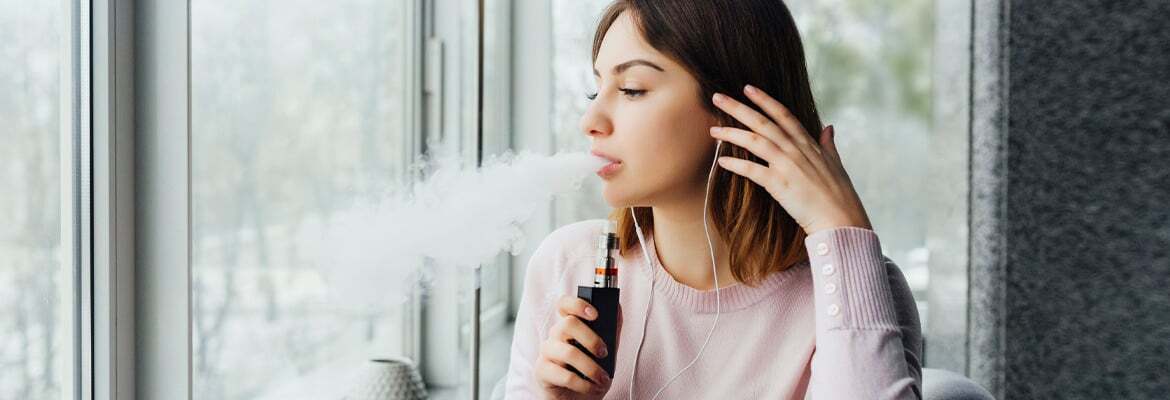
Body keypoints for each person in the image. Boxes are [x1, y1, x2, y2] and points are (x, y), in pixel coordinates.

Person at [504, 0, 922, 398]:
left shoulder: (854, 288)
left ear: (735, 109)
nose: (590, 122)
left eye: (631, 89)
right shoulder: (568, 265)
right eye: (596, 91)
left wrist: (840, 229)